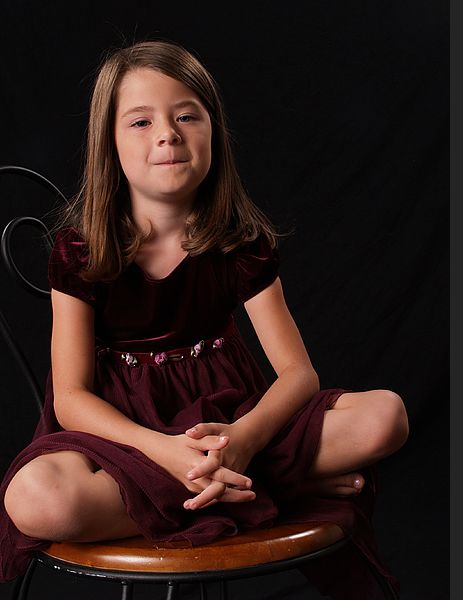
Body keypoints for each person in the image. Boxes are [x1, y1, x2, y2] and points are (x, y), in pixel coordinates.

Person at [0, 40, 408, 597]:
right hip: (124, 437)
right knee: (36, 498)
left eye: (186, 115)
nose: (167, 133)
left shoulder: (240, 244)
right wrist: (164, 451)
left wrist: (241, 441)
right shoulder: (82, 251)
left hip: (228, 421)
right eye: (140, 122)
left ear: (213, 131)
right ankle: (258, 491)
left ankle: (229, 480)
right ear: (109, 145)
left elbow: (298, 375)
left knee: (385, 416)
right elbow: (70, 398)